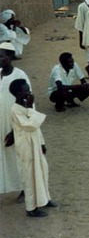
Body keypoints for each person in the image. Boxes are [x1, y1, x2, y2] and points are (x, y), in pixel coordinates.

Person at [7, 78, 58, 217]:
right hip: (26, 147)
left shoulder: (26, 105)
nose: (29, 92)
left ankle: (45, 199)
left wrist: (42, 143)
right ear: (18, 93)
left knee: (42, 170)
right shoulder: (15, 110)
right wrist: (30, 107)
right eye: (26, 90)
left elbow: (37, 128)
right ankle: (31, 208)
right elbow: (30, 125)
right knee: (29, 176)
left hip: (36, 144)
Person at [0, 42, 27, 197]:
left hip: (14, 124)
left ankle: (24, 188)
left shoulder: (20, 76)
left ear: (9, 56)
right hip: (0, 123)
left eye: (1, 55)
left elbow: (28, 104)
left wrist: (15, 130)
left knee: (19, 156)